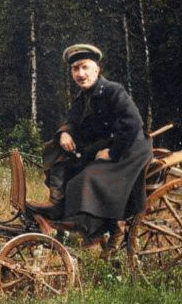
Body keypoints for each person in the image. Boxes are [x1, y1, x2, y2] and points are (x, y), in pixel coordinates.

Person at [26, 43, 152, 252]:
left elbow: (133, 123)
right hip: (107, 145)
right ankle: (58, 205)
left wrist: (112, 153)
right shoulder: (83, 97)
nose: (80, 74)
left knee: (87, 178)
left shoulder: (113, 91)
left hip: (130, 149)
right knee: (56, 149)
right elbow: (72, 120)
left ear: (97, 69)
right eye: (75, 69)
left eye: (85, 67)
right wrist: (65, 132)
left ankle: (96, 226)